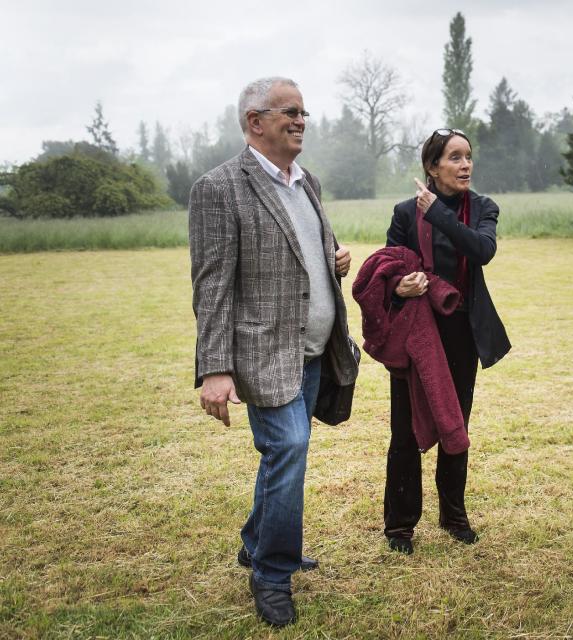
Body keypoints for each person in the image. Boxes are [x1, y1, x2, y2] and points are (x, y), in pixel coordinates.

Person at [189, 77, 359, 627]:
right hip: (264, 353)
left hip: (313, 349)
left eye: (305, 112)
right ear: (254, 121)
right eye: (290, 111)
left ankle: (255, 543)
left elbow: (303, 251)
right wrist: (214, 368)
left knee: (285, 451)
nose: (301, 120)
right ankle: (272, 573)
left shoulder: (306, 182)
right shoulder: (218, 189)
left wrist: (333, 260)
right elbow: (212, 286)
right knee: (288, 447)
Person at [380, 128, 510, 554]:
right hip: (416, 332)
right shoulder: (403, 213)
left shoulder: (483, 208)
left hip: (461, 333)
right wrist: (402, 285)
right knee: (405, 427)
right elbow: (389, 266)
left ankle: (453, 515)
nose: (466, 165)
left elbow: (482, 250)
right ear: (432, 168)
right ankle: (400, 526)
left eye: (468, 156)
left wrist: (438, 212)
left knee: (456, 422)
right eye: (454, 158)